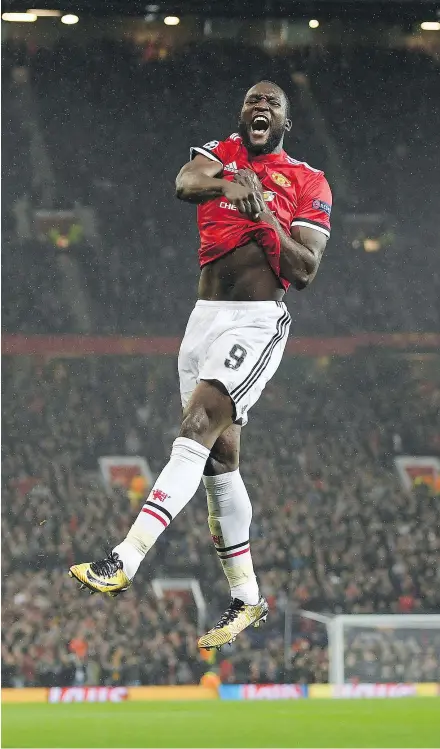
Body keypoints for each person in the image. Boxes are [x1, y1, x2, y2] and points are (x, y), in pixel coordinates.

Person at [69, 81, 332, 649]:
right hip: (202, 319)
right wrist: (235, 182)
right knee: (220, 462)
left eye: (272, 103)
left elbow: (305, 269)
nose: (259, 106)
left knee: (193, 431)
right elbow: (186, 183)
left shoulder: (308, 181)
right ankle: (246, 598)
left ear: (286, 122)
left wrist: (262, 212)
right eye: (251, 101)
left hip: (256, 320)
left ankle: (125, 558)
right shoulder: (221, 153)